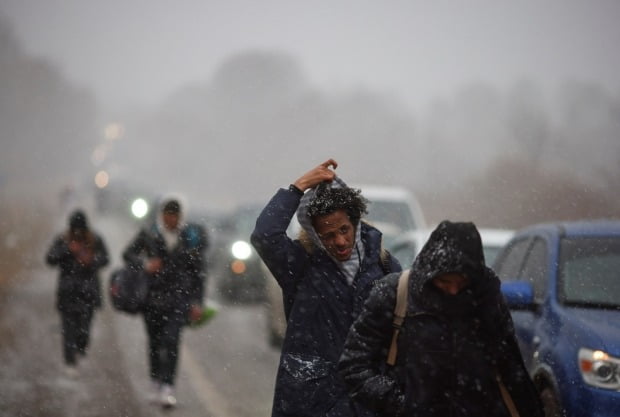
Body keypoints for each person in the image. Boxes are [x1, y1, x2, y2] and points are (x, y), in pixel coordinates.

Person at [338, 220, 545, 417]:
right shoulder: (395, 294)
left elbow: (511, 371)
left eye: (461, 282)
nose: (453, 290)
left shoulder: (486, 298)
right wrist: (400, 403)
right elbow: (354, 365)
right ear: (430, 273)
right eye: (444, 282)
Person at [251, 159, 402, 417]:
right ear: (315, 235)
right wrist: (297, 188)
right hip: (310, 400)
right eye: (329, 236)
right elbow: (265, 236)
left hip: (365, 402)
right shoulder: (300, 266)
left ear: (355, 223)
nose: (340, 241)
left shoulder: (385, 267)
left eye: (344, 230)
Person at [122, 196, 207, 409]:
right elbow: (128, 254)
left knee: (171, 341)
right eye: (168, 215)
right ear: (162, 215)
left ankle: (168, 387)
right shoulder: (149, 234)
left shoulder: (189, 237)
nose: (171, 220)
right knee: (154, 342)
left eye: (175, 216)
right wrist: (145, 264)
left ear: (180, 217)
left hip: (178, 300)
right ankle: (155, 382)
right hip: (151, 298)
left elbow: (198, 272)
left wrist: (197, 301)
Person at [45, 209, 109, 377]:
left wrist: (92, 260)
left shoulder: (95, 240)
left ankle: (80, 350)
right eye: (75, 230)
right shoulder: (62, 239)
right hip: (67, 293)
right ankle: (69, 362)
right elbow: (50, 259)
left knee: (84, 331)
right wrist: (68, 250)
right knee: (68, 330)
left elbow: (106, 259)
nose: (78, 233)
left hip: (89, 293)